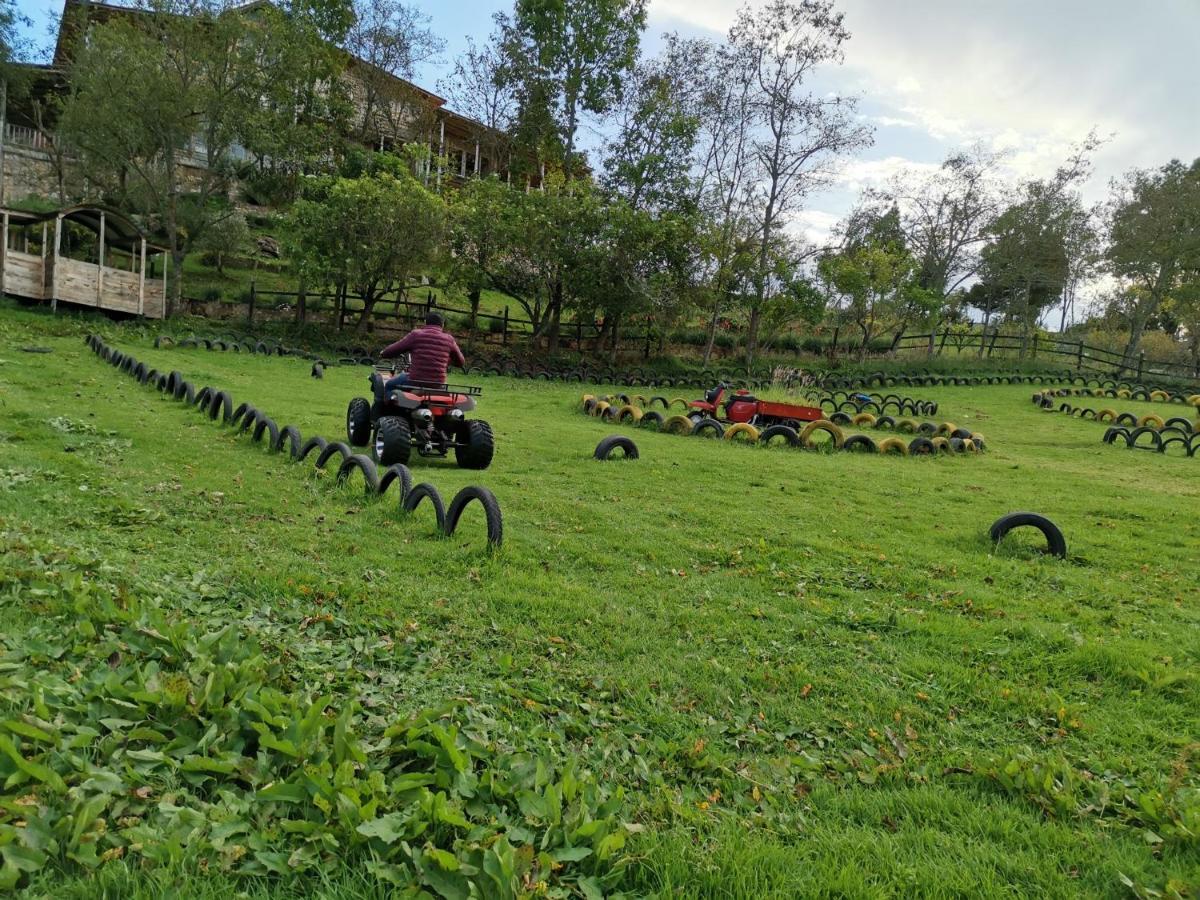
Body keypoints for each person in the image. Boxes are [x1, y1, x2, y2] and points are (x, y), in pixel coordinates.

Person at [378, 312, 466, 390]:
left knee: (389, 384)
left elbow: (397, 348)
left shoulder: (416, 334)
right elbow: (461, 362)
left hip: (415, 380)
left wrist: (384, 353)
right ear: (442, 325)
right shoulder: (449, 339)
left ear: (425, 322)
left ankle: (381, 408)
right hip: (438, 384)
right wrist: (447, 361)